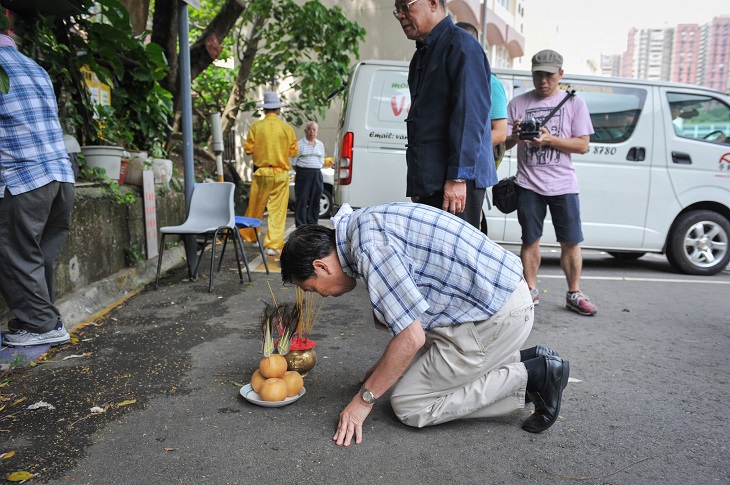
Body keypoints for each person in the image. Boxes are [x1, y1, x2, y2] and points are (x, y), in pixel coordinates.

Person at [280, 202, 570, 446]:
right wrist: (379, 371)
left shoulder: (371, 249)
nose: (321, 295)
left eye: (312, 288)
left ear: (321, 266)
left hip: (498, 315)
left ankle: (534, 375)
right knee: (403, 372)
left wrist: (363, 401)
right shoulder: (361, 224)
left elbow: (411, 338)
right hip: (490, 301)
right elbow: (411, 320)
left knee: (410, 404)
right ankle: (528, 360)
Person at [0, 18, 76, 347]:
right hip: (60, 175)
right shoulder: (34, 66)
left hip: (22, 177)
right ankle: (41, 319)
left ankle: (42, 325)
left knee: (15, 253)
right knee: (41, 255)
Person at [505, 49, 597, 316]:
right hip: (528, 183)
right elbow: (507, 142)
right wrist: (515, 133)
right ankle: (530, 292)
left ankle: (574, 293)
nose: (543, 81)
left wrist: (549, 140)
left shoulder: (574, 104)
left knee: (570, 241)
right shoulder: (517, 103)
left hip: (564, 185)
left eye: (548, 75)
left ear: (560, 74)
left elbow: (582, 145)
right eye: (537, 75)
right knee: (530, 240)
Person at [396, 0, 496, 229]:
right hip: (433, 180)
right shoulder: (421, 56)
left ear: (433, 3)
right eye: (397, 10)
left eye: (405, 6)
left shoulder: (462, 46)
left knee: (455, 259)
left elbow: (470, 116)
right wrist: (419, 182)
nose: (400, 15)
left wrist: (459, 177)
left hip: (458, 179)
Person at [455, 21, 508, 234]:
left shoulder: (491, 83)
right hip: (457, 166)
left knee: (466, 235)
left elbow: (500, 132)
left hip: (472, 170)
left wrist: (463, 149)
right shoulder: (456, 75)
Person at [239, 91, 298, 256]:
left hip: (262, 172)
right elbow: (293, 151)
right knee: (277, 210)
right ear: (279, 109)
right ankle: (273, 245)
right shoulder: (286, 128)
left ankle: (250, 236)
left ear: (264, 110)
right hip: (280, 174)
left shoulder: (257, 127)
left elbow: (248, 148)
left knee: (256, 205)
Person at [291, 121, 325, 226]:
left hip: (317, 173)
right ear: (305, 131)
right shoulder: (299, 144)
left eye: (314, 130)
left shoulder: (320, 144)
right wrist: (302, 172)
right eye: (309, 129)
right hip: (303, 173)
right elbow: (293, 163)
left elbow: (321, 161)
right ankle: (301, 225)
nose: (312, 132)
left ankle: (313, 224)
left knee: (315, 199)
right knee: (302, 199)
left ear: (317, 132)